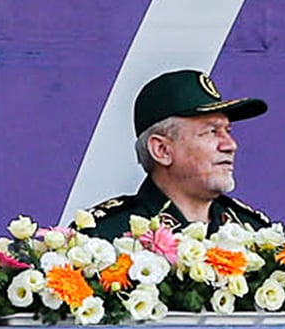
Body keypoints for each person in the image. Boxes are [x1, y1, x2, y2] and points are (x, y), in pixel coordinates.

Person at [69, 70, 274, 236]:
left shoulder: (253, 232)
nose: (231, 145)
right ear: (162, 150)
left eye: (227, 131)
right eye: (212, 132)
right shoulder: (101, 237)